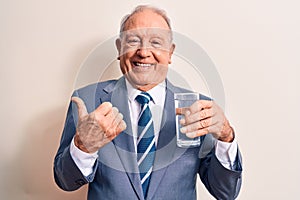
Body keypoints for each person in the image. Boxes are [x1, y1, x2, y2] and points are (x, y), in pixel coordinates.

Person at [54, 5, 242, 200]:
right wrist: (83, 147)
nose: (144, 52)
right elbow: (65, 181)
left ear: (170, 52)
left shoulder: (199, 108)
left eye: (156, 42)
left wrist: (226, 137)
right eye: (134, 41)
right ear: (119, 48)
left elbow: (226, 192)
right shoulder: (87, 100)